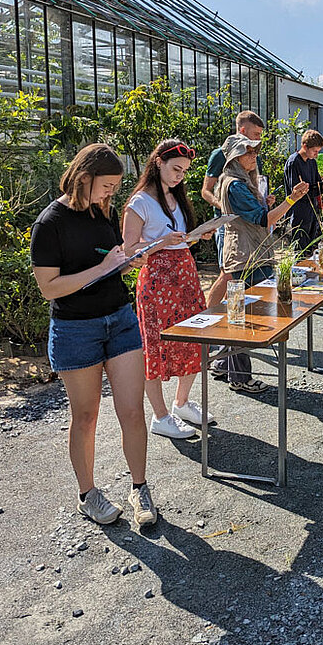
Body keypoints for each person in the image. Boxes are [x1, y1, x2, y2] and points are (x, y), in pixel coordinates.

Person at [30, 144, 157, 529]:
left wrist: (124, 262)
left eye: (116, 187)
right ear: (84, 178)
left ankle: (139, 489)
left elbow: (109, 260)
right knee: (85, 416)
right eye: (107, 185)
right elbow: (49, 288)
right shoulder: (49, 224)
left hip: (119, 319)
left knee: (133, 411)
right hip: (75, 329)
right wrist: (102, 267)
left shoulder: (104, 211)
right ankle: (89, 495)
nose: (111, 194)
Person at [123, 139, 216, 441]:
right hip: (157, 283)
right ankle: (160, 415)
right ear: (158, 163)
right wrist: (163, 242)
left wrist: (195, 237)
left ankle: (182, 403)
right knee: (155, 347)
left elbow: (179, 238)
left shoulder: (175, 198)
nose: (179, 176)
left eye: (184, 171)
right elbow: (130, 252)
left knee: (193, 338)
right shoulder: (139, 202)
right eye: (175, 169)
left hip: (185, 277)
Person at [213, 135, 309, 392]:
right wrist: (292, 200)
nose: (254, 156)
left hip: (248, 252)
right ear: (235, 157)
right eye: (249, 152)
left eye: (255, 152)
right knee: (246, 317)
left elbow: (254, 214)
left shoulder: (239, 182)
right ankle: (239, 377)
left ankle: (224, 363)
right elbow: (261, 220)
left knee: (241, 313)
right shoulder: (235, 184)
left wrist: (266, 204)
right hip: (247, 256)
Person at [201, 111, 272, 307]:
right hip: (229, 224)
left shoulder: (252, 154)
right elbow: (206, 191)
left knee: (239, 277)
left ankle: (230, 313)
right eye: (256, 134)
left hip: (250, 221)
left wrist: (261, 201)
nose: (259, 139)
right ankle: (210, 315)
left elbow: (251, 188)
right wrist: (227, 206)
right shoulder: (222, 154)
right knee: (228, 273)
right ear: (242, 130)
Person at [283, 129, 323, 255]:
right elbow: (295, 192)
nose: (317, 155)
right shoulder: (293, 162)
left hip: (313, 210)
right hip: (299, 212)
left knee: (313, 248)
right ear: (305, 146)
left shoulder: (312, 161)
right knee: (301, 251)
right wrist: (319, 188)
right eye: (315, 151)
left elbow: (316, 182)